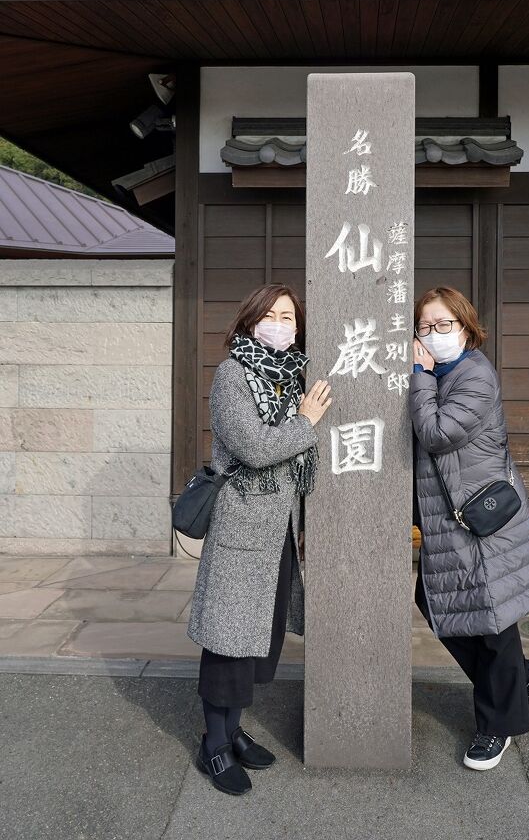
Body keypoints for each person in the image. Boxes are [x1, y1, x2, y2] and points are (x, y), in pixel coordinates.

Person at [187, 283, 332, 796]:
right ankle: (214, 745)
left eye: (288, 316)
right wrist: (306, 422)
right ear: (249, 321)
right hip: (242, 529)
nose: (279, 323)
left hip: (277, 535)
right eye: (269, 314)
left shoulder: (289, 376)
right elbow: (254, 446)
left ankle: (233, 729)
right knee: (229, 644)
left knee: (255, 642)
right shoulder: (233, 374)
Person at [410, 285, 529, 771]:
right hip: (451, 521)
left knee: (492, 622)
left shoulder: (473, 376)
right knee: (438, 606)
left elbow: (435, 433)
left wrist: (419, 375)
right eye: (425, 326)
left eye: (443, 325)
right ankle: (520, 679)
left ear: (467, 329)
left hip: (481, 520)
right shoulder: (440, 375)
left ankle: (498, 726)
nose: (433, 334)